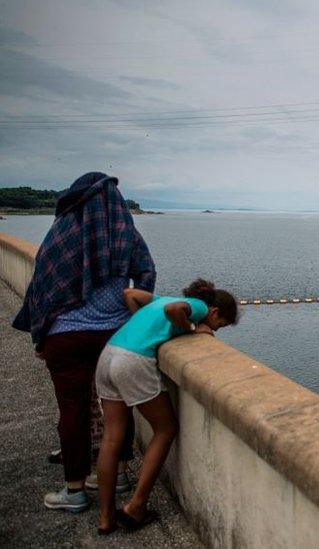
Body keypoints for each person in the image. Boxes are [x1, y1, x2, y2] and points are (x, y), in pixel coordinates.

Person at [12, 172, 156, 513]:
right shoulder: (125, 233)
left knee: (72, 411)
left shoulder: (62, 232)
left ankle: (74, 490)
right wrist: (129, 305)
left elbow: (41, 289)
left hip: (66, 337)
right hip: (114, 337)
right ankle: (118, 475)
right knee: (117, 408)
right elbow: (147, 274)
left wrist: (40, 333)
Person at [95, 279, 238, 534]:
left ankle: (106, 518)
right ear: (214, 311)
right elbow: (175, 313)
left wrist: (145, 325)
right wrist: (193, 328)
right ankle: (136, 507)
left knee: (110, 439)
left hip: (109, 354)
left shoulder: (162, 298)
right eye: (220, 324)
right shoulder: (198, 307)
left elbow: (130, 294)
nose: (216, 329)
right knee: (166, 428)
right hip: (133, 361)